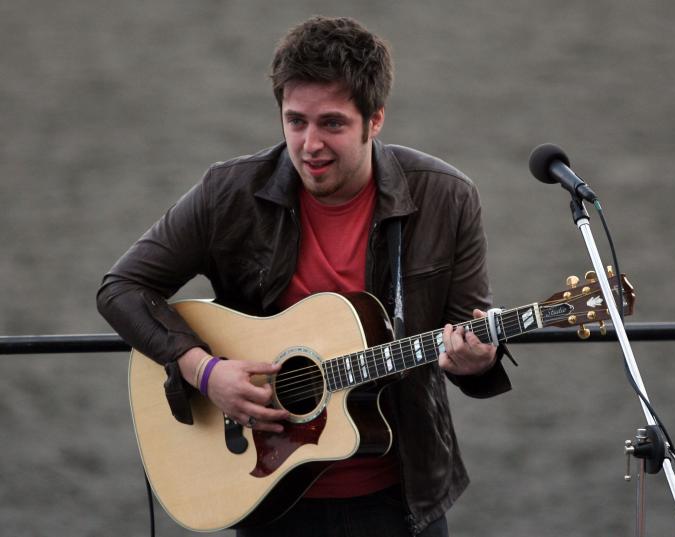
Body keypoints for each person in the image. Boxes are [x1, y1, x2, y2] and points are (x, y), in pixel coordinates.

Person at [97, 15, 514, 537]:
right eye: (296, 121)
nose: (310, 145)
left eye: (332, 124)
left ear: (375, 119)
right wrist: (205, 372)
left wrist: (476, 360)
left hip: (400, 498)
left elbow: (463, 337)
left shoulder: (445, 198)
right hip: (265, 489)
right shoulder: (230, 193)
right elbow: (121, 289)